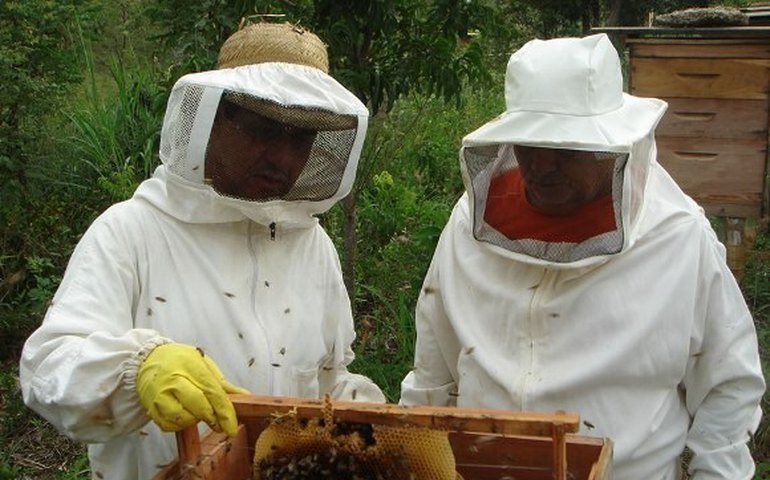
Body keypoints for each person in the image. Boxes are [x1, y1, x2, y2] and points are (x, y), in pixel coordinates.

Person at [20, 22, 384, 480]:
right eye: (263, 130)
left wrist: (371, 415)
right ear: (214, 123)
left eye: (300, 140)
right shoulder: (132, 230)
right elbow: (48, 367)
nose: (282, 158)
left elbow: (327, 378)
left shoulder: (313, 247)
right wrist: (137, 370)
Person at [400, 33, 765, 479]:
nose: (541, 166)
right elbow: (434, 372)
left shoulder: (679, 237)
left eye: (564, 149)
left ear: (613, 147)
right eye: (528, 144)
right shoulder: (470, 222)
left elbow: (728, 386)